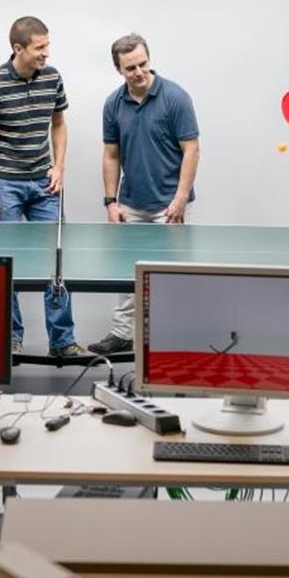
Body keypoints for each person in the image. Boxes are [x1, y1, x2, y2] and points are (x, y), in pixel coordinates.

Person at [0, 16, 88, 358]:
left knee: (56, 261)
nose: (46, 54)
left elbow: (59, 125)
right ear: (18, 48)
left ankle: (63, 342)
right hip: (5, 182)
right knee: (4, 263)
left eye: (47, 46)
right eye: (40, 47)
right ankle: (10, 338)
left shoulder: (52, 78)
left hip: (43, 182)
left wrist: (58, 167)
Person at [88, 33, 201, 356]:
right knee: (125, 272)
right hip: (131, 204)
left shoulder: (175, 97)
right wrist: (111, 202)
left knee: (170, 274)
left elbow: (191, 150)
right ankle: (123, 333)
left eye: (142, 64)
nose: (138, 72)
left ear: (149, 60)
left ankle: (170, 338)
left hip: (169, 204)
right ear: (119, 70)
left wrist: (179, 199)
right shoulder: (113, 103)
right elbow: (111, 154)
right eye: (130, 68)